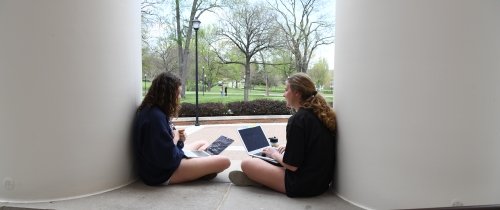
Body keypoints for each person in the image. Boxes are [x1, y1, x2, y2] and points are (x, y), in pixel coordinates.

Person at [228, 72, 336, 197]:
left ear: (297, 93)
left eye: (286, 90)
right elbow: (312, 145)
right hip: (321, 183)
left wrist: (274, 154)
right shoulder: (319, 114)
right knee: (270, 157)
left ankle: (258, 180)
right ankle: (261, 179)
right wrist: (289, 147)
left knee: (248, 163)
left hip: (303, 185)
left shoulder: (298, 120)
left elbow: (292, 166)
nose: (283, 94)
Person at [133, 72, 230, 186]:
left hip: (164, 161)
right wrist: (177, 141)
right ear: (167, 94)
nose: (179, 97)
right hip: (161, 173)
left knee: (202, 143)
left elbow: (165, 148)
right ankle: (201, 169)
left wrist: (179, 142)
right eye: (177, 93)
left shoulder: (153, 111)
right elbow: (169, 160)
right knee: (224, 161)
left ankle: (200, 167)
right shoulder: (155, 118)